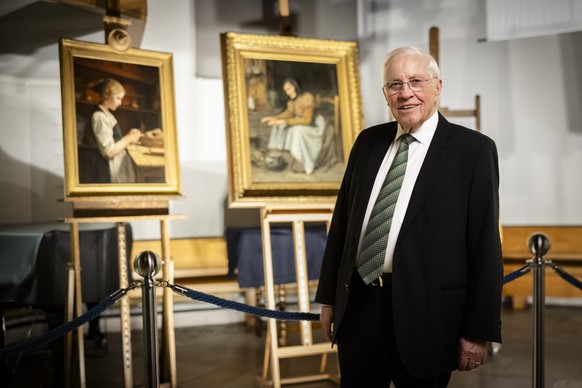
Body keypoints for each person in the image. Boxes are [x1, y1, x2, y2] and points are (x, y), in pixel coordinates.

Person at [314, 46, 503, 387]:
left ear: (437, 86)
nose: (406, 93)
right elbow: (342, 224)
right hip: (358, 305)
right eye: (394, 84)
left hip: (427, 315)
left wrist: (478, 331)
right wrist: (329, 298)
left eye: (416, 81)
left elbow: (484, 247)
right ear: (385, 93)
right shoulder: (367, 143)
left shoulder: (473, 151)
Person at [78, 78, 143, 184]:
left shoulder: (106, 114)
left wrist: (128, 135)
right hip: (107, 169)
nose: (120, 102)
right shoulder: (99, 117)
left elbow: (113, 139)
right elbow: (109, 152)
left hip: (115, 165)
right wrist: (127, 139)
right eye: (118, 98)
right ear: (107, 94)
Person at [261, 78, 326, 174]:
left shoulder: (307, 97)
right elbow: (288, 113)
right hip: (302, 123)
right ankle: (282, 155)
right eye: (286, 90)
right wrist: (274, 118)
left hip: (315, 125)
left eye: (289, 89)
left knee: (296, 130)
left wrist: (285, 122)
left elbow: (307, 120)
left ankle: (305, 162)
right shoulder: (292, 102)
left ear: (296, 86)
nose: (288, 92)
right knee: (280, 126)